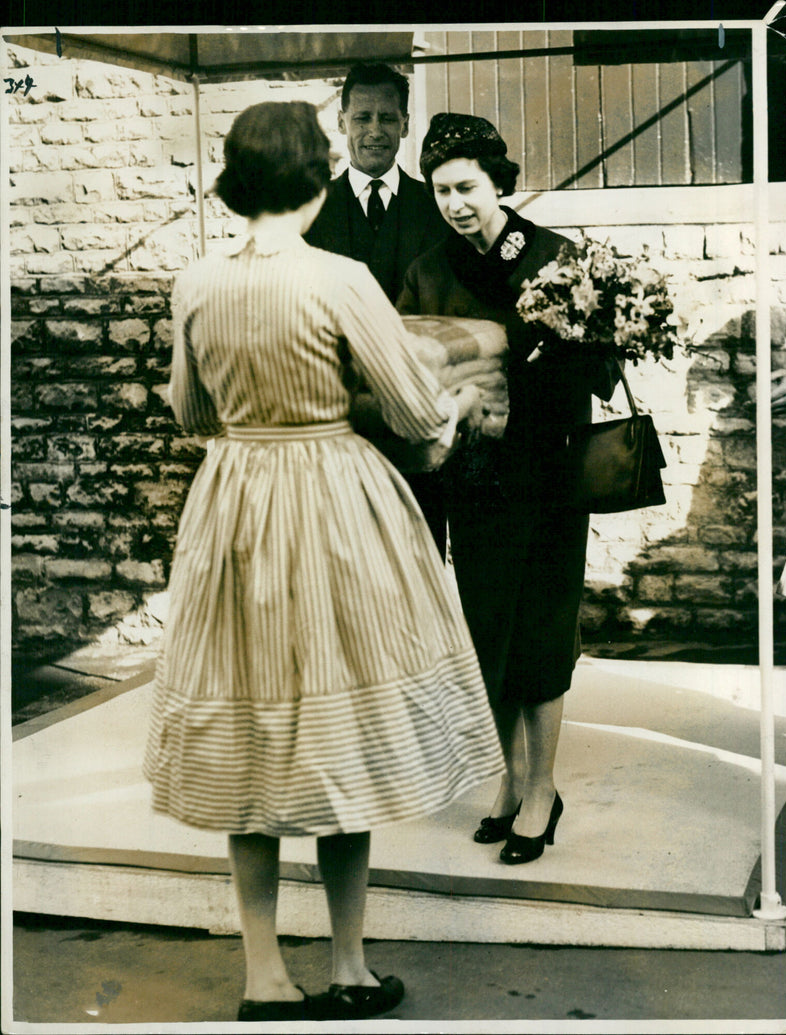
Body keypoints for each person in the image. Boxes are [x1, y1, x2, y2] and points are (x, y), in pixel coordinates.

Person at [143, 101, 503, 1022]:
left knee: (254, 726)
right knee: (341, 722)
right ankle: (348, 964)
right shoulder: (340, 277)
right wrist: (455, 407)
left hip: (234, 508)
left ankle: (263, 972)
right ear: (316, 177)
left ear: (234, 179)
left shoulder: (196, 280)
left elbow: (190, 419)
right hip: (336, 501)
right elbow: (419, 413)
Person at [397, 113, 619, 866]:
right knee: (489, 628)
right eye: (441, 191)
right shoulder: (428, 272)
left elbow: (603, 372)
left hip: (550, 473)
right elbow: (410, 371)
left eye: (467, 187)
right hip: (477, 478)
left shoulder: (558, 260)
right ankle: (508, 778)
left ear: (501, 182)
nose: (456, 203)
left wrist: (537, 364)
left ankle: (544, 787)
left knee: (543, 629)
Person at [305, 62, 450, 556]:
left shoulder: (436, 210)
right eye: (362, 117)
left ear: (406, 125)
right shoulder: (311, 211)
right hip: (338, 425)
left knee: (418, 557)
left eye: (387, 119)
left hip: (415, 426)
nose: (374, 131)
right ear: (342, 121)